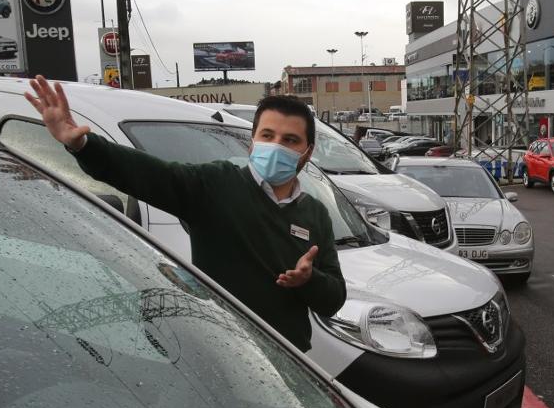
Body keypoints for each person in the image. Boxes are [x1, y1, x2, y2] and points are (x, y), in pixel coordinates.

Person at [24, 76, 345, 352]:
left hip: (292, 359)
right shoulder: (215, 184)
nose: (276, 146)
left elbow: (333, 299)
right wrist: (83, 146)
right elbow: (149, 174)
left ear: (307, 152)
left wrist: (309, 280)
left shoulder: (314, 213)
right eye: (267, 136)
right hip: (228, 352)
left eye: (290, 140)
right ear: (252, 142)